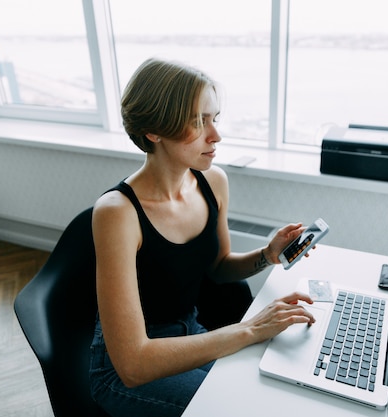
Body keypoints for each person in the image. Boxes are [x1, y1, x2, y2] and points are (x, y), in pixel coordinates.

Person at [89, 58, 316, 417]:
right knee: (239, 408)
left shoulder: (213, 182)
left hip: (191, 331)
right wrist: (249, 330)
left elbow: (218, 268)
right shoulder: (117, 213)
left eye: (215, 118)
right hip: (126, 367)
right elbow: (133, 364)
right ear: (154, 130)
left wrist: (267, 255)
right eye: (198, 122)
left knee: (270, 394)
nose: (216, 135)